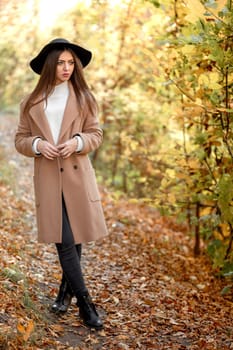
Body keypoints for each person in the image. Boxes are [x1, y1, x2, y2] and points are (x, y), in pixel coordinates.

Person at [15, 38, 108, 330]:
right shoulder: (31, 102)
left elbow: (96, 134)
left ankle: (65, 294)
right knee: (65, 240)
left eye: (71, 63)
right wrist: (39, 144)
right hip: (48, 178)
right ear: (49, 65)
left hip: (77, 176)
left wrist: (78, 142)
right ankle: (86, 303)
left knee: (75, 238)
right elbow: (20, 140)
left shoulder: (83, 98)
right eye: (61, 62)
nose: (66, 68)